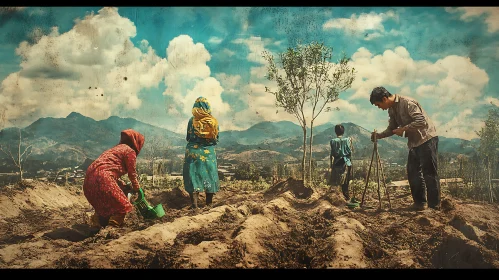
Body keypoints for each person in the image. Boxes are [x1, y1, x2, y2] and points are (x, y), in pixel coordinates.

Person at [369, 86, 440, 211]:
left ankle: (434, 207)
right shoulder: (391, 110)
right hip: (414, 142)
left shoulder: (407, 103)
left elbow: (421, 121)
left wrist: (403, 129)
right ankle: (420, 203)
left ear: (385, 99)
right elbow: (392, 128)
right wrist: (379, 135)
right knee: (413, 172)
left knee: (429, 173)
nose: (379, 108)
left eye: (378, 104)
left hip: (426, 138)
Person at [83, 129, 145, 228]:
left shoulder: (114, 150)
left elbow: (104, 170)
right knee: (123, 206)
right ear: (136, 142)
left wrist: (123, 185)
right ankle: (111, 230)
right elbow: (132, 173)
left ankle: (96, 222)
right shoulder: (130, 151)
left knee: (104, 208)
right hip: (103, 179)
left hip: (88, 182)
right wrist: (137, 188)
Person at [183, 96, 220, 209]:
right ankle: (209, 203)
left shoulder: (192, 120)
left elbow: (188, 137)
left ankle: (194, 205)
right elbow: (216, 139)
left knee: (193, 175)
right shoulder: (214, 122)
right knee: (210, 175)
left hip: (193, 152)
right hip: (208, 153)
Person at [329, 124, 354, 201]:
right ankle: (346, 197)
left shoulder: (333, 141)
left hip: (338, 163)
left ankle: (336, 199)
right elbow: (351, 151)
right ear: (343, 132)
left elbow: (333, 153)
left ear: (335, 132)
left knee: (336, 182)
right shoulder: (348, 140)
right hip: (347, 163)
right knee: (345, 182)